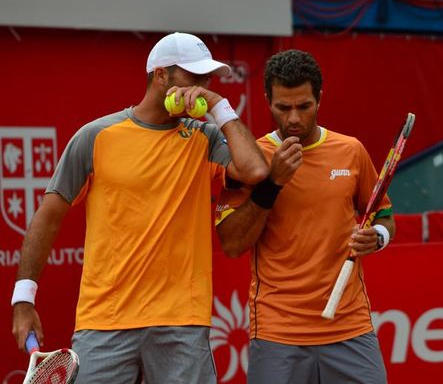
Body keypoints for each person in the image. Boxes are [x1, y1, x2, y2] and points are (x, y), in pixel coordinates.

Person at [11, 32, 268, 383]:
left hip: (182, 322)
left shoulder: (204, 138)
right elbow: (49, 216)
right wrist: (23, 299)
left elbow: (255, 170)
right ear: (160, 75)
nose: (202, 87)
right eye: (194, 78)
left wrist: (219, 106)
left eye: (207, 80)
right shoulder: (95, 136)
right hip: (105, 321)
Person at [216, 49, 395, 384]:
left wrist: (378, 237)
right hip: (277, 332)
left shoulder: (351, 151)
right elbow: (232, 243)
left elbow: (383, 215)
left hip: (350, 326)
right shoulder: (249, 160)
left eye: (304, 106)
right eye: (283, 108)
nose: (294, 119)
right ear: (267, 99)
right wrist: (273, 183)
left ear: (320, 99)